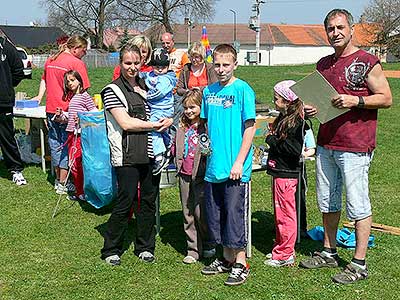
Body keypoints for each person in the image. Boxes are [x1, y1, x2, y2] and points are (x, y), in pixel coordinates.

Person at [299, 9, 392, 285]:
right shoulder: (323, 64)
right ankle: (328, 251)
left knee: (357, 204)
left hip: (355, 145)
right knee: (327, 200)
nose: (335, 33)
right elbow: (321, 102)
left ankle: (359, 263)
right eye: (330, 28)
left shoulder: (367, 61)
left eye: (340, 27)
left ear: (351, 30)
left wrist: (356, 101)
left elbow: (386, 98)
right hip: (327, 142)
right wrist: (310, 108)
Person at [100, 44, 171, 266]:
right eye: (127, 63)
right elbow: (125, 123)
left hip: (151, 152)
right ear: (120, 63)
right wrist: (154, 125)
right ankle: (111, 248)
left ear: (142, 62)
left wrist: (169, 120)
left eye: (136, 63)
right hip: (127, 154)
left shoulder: (148, 83)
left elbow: (167, 106)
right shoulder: (111, 90)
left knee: (149, 201)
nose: (132, 67)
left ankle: (145, 246)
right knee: (126, 200)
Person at [200, 44, 256, 286]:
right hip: (214, 167)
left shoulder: (243, 90)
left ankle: (241, 263)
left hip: (235, 168)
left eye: (226, 65)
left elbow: (250, 128)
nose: (221, 69)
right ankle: (225, 259)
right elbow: (204, 125)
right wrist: (204, 147)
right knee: (216, 214)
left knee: (234, 215)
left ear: (235, 65)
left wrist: (239, 162)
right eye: (217, 65)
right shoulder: (207, 91)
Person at [33, 35, 90, 195]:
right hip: (68, 111)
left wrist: (39, 97)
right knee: (68, 146)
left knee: (55, 145)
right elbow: (84, 89)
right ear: (75, 48)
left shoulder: (51, 60)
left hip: (51, 109)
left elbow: (43, 80)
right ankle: (64, 182)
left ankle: (59, 179)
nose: (84, 54)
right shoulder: (76, 63)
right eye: (83, 51)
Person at [263, 80, 308, 267]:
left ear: (288, 101)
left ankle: (285, 253)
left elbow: (293, 149)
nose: (274, 102)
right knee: (279, 213)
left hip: (287, 174)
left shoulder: (296, 122)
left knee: (286, 215)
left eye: (277, 99)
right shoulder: (283, 118)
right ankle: (280, 246)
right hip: (279, 171)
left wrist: (271, 140)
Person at [171, 89, 215, 264]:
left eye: (193, 107)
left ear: (201, 107)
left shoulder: (207, 126)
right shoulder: (182, 127)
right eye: (186, 108)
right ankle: (193, 249)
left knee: (201, 212)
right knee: (188, 212)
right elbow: (176, 146)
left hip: (202, 176)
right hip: (184, 175)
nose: (189, 111)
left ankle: (209, 243)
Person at [55, 70, 98, 200]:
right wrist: (61, 115)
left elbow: (95, 114)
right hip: (71, 135)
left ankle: (82, 192)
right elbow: (71, 117)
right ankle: (81, 191)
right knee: (74, 164)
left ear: (79, 80)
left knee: (77, 164)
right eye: (67, 82)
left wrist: (83, 119)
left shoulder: (84, 96)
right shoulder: (73, 97)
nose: (70, 84)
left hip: (80, 135)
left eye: (72, 80)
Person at [139, 48, 177, 175]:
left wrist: (145, 94)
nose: (160, 69)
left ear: (168, 66)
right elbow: (144, 76)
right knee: (161, 131)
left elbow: (159, 93)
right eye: (156, 66)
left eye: (163, 66)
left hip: (163, 109)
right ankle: (168, 146)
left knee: (153, 128)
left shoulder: (167, 79)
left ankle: (159, 157)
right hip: (154, 109)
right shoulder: (152, 74)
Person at [0, 34, 27, 185]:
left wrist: (7, 86)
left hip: (3, 101)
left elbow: (18, 71)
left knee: (6, 136)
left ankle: (16, 170)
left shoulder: (6, 47)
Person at [161, 32, 190, 125]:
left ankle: (176, 138)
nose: (165, 45)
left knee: (176, 119)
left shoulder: (181, 54)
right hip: (163, 93)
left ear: (173, 42)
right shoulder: (159, 54)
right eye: (163, 43)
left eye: (168, 43)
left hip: (176, 93)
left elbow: (188, 70)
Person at [298, 122, 316, 238]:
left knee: (299, 197)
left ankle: (301, 227)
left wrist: (302, 154)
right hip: (283, 167)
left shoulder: (305, 127)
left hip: (298, 167)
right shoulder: (280, 122)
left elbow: (311, 149)